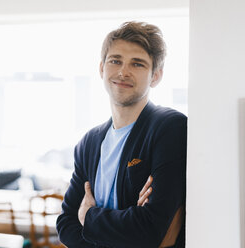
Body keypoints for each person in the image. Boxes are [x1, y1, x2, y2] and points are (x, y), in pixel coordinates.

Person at [56, 21, 187, 248]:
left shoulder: (170, 129)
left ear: (155, 76)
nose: (123, 72)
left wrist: (88, 216)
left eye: (137, 64)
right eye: (115, 61)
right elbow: (66, 225)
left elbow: (152, 230)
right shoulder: (89, 143)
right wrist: (124, 227)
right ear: (101, 68)